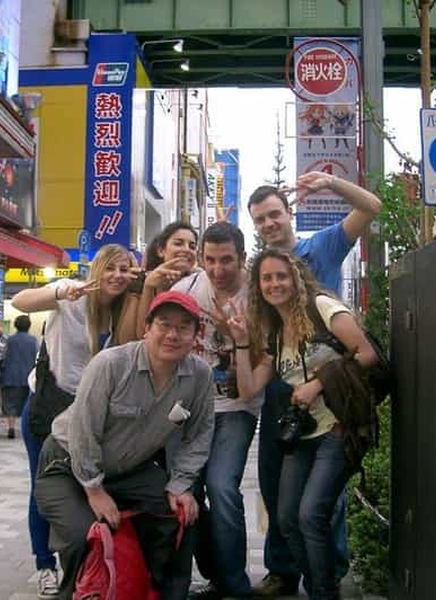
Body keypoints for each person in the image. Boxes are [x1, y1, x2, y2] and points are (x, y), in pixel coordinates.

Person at [247, 171, 382, 596]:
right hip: (285, 390)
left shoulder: (321, 246)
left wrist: (329, 184)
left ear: (289, 213)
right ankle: (288, 571)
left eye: (274, 214)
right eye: (260, 220)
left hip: (332, 389)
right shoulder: (264, 292)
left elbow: (371, 207)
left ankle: (330, 575)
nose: (269, 224)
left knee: (318, 504)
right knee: (280, 493)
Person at [34, 290, 215, 600]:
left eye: (183, 327)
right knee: (84, 536)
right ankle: (76, 593)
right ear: (147, 328)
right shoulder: (111, 364)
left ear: (195, 336)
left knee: (183, 513)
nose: (173, 334)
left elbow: (199, 434)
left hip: (128, 470)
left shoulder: (199, 375)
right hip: (66, 465)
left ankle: (159, 591)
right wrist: (94, 489)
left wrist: (180, 485)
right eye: (164, 324)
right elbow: (83, 430)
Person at [11, 243, 138, 600]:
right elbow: (20, 301)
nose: (117, 276)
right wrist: (58, 292)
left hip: (91, 416)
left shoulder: (126, 310)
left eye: (124, 269)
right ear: (97, 269)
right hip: (49, 408)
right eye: (110, 268)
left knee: (85, 489)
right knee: (43, 487)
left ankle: (83, 565)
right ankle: (44, 566)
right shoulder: (73, 296)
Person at [170, 222, 262, 599]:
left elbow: (268, 355)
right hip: (189, 408)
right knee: (184, 489)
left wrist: (241, 337)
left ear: (242, 258)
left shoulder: (258, 295)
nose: (217, 269)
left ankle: (235, 586)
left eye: (226, 260)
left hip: (237, 406)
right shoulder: (187, 289)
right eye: (209, 259)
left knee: (222, 487)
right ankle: (205, 576)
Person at [133, 221, 200, 339]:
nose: (186, 249)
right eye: (178, 244)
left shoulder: (200, 281)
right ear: (161, 250)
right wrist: (148, 286)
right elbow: (142, 335)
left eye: (192, 246)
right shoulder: (139, 282)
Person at [0, 315, 38, 439]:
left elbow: (3, 357)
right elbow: (35, 358)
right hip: (28, 377)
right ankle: (27, 428)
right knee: (27, 404)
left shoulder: (10, 340)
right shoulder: (33, 341)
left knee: (10, 403)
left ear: (15, 325)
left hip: (10, 376)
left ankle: (11, 427)